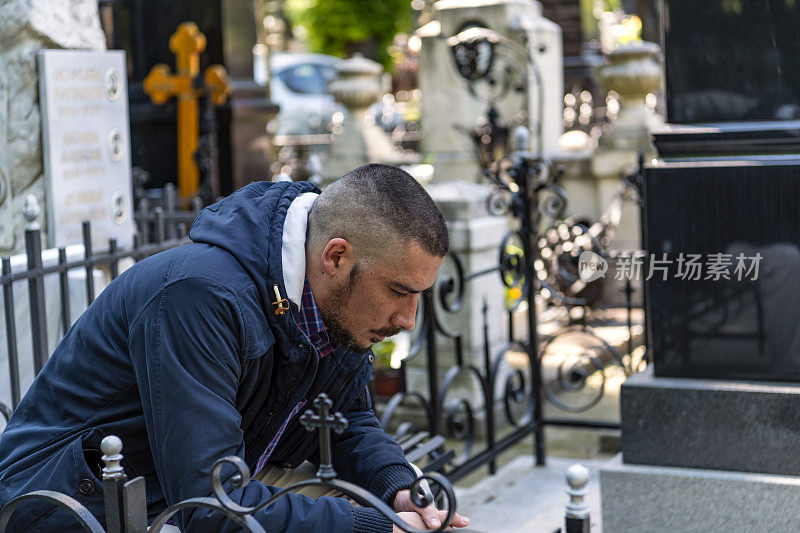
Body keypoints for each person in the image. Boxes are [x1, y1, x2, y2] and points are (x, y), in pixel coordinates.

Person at [0, 164, 469, 532]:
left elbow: (346, 421)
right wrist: (367, 524)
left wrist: (398, 487)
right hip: (63, 509)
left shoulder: (329, 303)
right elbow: (210, 505)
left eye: (418, 297)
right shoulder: (201, 296)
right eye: (398, 291)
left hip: (162, 503)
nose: (407, 320)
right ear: (337, 256)